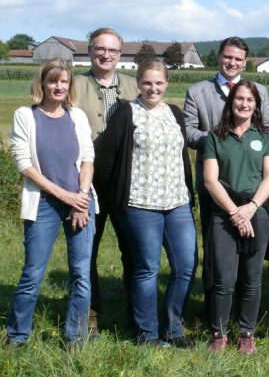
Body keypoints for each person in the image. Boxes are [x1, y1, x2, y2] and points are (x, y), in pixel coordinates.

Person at [94, 61, 196, 346]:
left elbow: (182, 155)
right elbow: (107, 160)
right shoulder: (127, 112)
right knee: (147, 268)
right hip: (140, 204)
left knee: (186, 266)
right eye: (148, 83)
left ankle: (174, 329)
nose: (154, 88)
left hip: (177, 203)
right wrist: (113, 198)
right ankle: (146, 333)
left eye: (159, 83)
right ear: (139, 83)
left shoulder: (174, 113)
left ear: (167, 84)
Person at [184, 37, 269, 317]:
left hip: (250, 189)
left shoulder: (258, 89)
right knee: (216, 254)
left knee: (249, 257)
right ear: (219, 57)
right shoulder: (198, 91)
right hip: (216, 186)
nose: (232, 62)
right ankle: (214, 313)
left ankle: (243, 317)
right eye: (227, 57)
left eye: (238, 59)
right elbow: (187, 132)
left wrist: (242, 139)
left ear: (244, 62)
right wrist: (220, 140)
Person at [7, 60, 95, 347]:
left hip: (80, 201)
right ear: (42, 84)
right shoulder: (25, 115)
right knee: (33, 272)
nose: (59, 87)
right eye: (53, 81)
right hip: (42, 202)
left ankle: (75, 336)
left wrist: (80, 198)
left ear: (69, 86)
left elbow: (87, 158)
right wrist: (64, 196)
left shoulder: (77, 116)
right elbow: (25, 165)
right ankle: (17, 335)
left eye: (64, 82)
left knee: (81, 273)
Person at [202, 81, 269, 354]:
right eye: (239, 99)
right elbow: (211, 181)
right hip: (224, 214)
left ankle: (246, 332)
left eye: (250, 100)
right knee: (223, 278)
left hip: (256, 212)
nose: (244, 104)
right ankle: (219, 332)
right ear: (231, 102)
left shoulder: (266, 136)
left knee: (251, 278)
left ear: (256, 105)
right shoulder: (215, 136)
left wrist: (251, 208)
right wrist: (235, 212)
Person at [73, 27, 138, 334]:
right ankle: (90, 311)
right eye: (101, 49)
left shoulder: (133, 85)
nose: (106, 55)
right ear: (90, 50)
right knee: (88, 248)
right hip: (88, 177)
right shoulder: (75, 85)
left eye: (113, 50)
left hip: (126, 177)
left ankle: (135, 310)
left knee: (133, 247)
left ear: (119, 53)